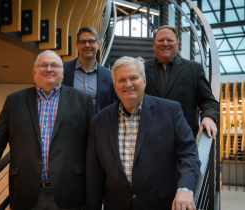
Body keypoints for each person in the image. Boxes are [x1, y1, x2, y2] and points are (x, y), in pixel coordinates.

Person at [0, 50, 95, 210]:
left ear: (63, 72)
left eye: (55, 65)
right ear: (34, 71)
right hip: (26, 192)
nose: (49, 69)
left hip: (69, 192)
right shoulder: (14, 101)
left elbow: (94, 148)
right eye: (43, 65)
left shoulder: (82, 100)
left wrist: (96, 190)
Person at [86, 56, 200, 210]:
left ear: (144, 81)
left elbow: (189, 154)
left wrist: (185, 189)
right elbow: (95, 173)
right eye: (122, 80)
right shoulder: (99, 121)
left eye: (134, 78)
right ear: (114, 85)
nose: (128, 84)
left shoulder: (170, 111)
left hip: (160, 204)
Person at [145, 25, 219, 139]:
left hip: (184, 140)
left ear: (177, 44)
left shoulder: (194, 69)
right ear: (153, 45)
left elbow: (208, 101)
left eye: (170, 40)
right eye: (160, 40)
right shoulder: (140, 69)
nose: (165, 43)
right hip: (149, 140)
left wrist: (208, 117)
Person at [62, 26, 118, 113]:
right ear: (77, 45)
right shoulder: (62, 70)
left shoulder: (109, 75)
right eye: (82, 42)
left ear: (98, 45)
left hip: (99, 125)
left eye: (91, 41)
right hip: (70, 125)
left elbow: (114, 106)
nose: (87, 45)